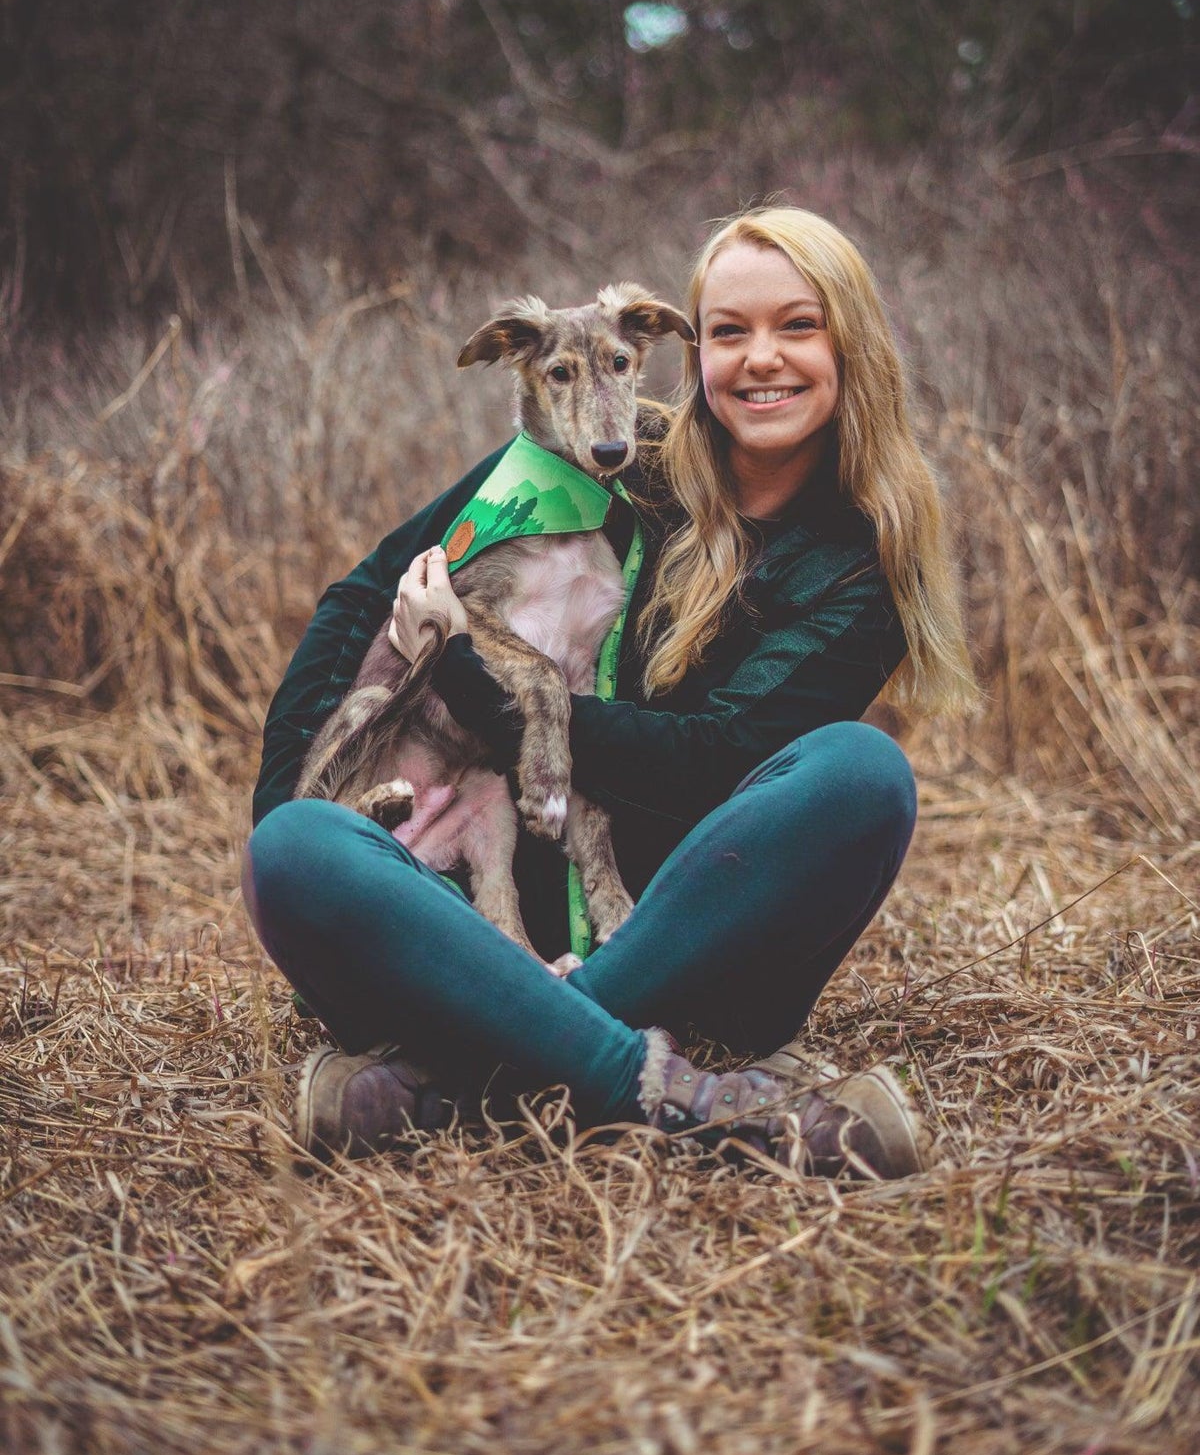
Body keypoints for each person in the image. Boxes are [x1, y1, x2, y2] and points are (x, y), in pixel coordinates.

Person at [243, 207, 975, 1175]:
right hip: (477, 919)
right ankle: (695, 1100)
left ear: (853, 344)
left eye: (799, 325)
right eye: (729, 330)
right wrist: (296, 787)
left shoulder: (857, 567)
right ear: (691, 347)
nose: (762, 358)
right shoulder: (612, 453)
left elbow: (704, 765)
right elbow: (366, 592)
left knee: (863, 776)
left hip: (689, 944)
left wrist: (469, 668)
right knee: (294, 848)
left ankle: (474, 1077)